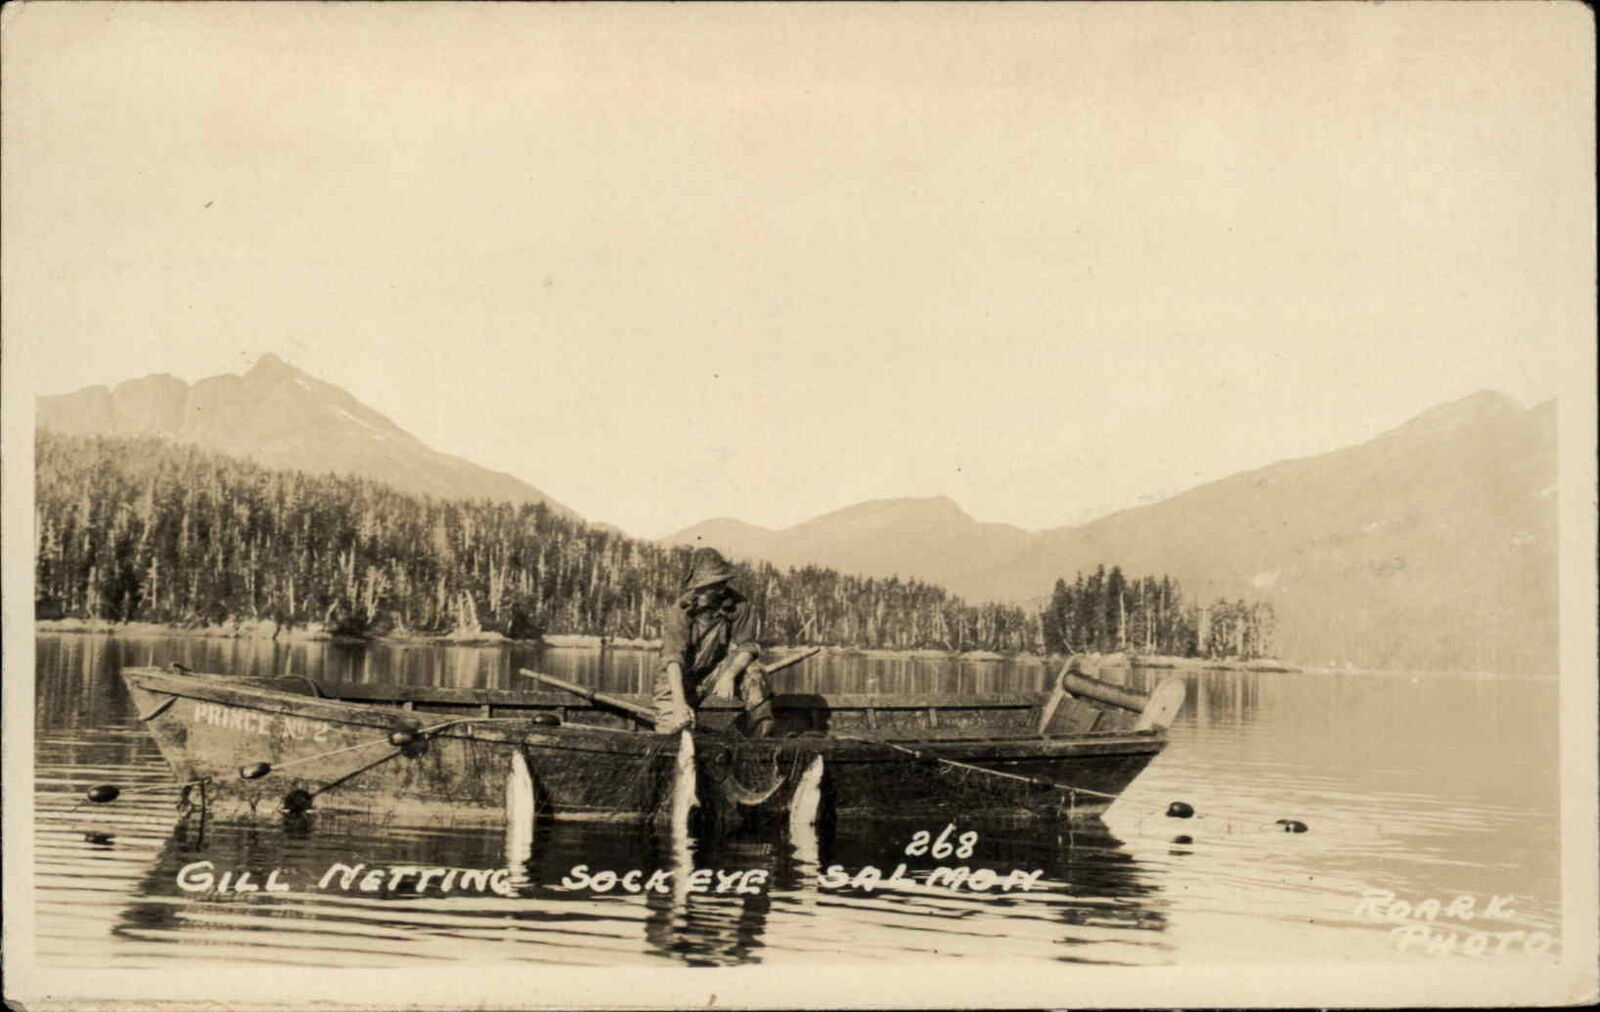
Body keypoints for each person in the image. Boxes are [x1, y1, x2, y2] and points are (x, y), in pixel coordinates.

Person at [654, 547, 773, 736]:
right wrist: (679, 704)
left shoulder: (738, 605)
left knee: (754, 672)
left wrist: (729, 675)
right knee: (671, 732)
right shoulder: (680, 610)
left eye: (705, 589)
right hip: (678, 677)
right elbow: (673, 660)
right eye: (697, 588)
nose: (699, 593)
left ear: (720, 586)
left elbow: (747, 648)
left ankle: (760, 737)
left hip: (714, 672)